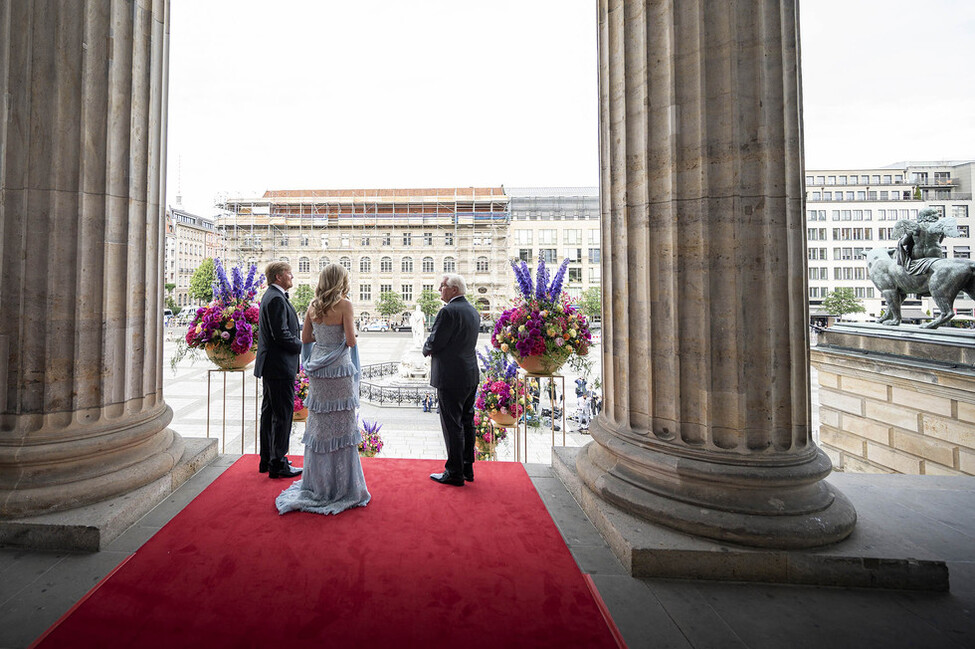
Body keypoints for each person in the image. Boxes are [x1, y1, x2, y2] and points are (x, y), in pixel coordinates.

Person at [276, 263, 370, 515]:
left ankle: (318, 485)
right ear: (341, 281)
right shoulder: (345, 305)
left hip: (318, 370)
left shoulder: (313, 305)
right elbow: (350, 341)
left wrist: (323, 339)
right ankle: (343, 487)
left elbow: (305, 338)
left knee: (319, 426)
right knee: (342, 425)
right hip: (338, 371)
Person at [422, 274, 480, 486]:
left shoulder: (448, 311)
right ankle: (467, 468)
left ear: (454, 289)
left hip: (450, 377)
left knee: (452, 424)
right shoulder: (472, 310)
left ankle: (454, 472)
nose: (439, 289)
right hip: (470, 374)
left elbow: (436, 341)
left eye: (443, 286)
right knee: (467, 421)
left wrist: (425, 348)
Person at [255, 261, 303, 479]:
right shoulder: (275, 298)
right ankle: (278, 463)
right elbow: (280, 334)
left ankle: (268, 459)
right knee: (282, 415)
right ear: (278, 277)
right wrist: (300, 345)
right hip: (279, 367)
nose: (292, 276)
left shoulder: (272, 296)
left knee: (270, 414)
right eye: (288, 274)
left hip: (273, 366)